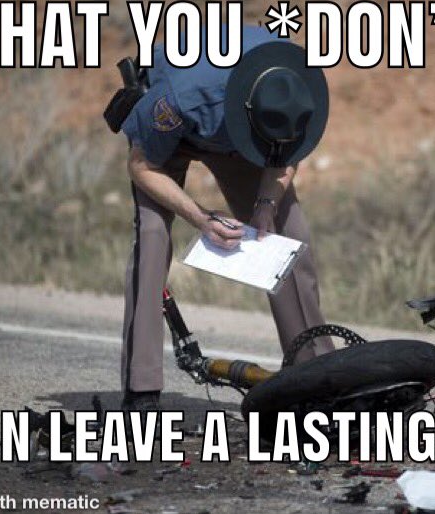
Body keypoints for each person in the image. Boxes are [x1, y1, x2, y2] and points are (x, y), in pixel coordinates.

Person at [118, 26, 335, 412]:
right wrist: (200, 218)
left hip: (247, 137)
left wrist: (266, 205)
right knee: (153, 237)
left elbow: (287, 154)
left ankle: (315, 378)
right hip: (174, 136)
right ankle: (142, 389)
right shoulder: (179, 99)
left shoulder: (298, 86)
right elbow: (142, 167)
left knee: (289, 239)